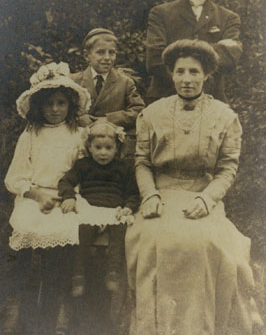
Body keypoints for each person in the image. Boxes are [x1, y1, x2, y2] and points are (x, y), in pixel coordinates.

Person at [126, 39, 259, 335]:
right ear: (172, 74)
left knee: (208, 245)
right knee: (152, 243)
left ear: (206, 75)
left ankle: (200, 327)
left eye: (194, 72)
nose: (187, 79)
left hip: (201, 195)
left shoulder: (225, 116)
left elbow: (227, 167)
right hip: (161, 194)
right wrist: (149, 195)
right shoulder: (152, 113)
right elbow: (142, 162)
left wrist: (208, 198)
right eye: (181, 72)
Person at [4, 62, 91, 335]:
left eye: (61, 103)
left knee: (61, 252)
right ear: (39, 107)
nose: (55, 109)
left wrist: (68, 197)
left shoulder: (78, 135)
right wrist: (37, 194)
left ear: (71, 105)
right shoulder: (31, 135)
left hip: (66, 198)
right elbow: (14, 178)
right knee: (25, 241)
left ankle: (56, 316)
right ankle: (23, 313)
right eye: (49, 104)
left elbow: (85, 173)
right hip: (34, 197)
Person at [58, 121, 139, 333]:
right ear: (89, 147)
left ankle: (113, 271)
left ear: (117, 148)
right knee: (82, 230)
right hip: (89, 208)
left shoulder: (123, 167)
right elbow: (66, 181)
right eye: (98, 148)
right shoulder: (84, 165)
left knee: (120, 230)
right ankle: (78, 273)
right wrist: (69, 197)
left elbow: (132, 193)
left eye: (109, 148)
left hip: (114, 210)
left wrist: (128, 207)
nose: (103, 153)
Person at [146, 0, 242, 103]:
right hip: (166, 100)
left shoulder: (228, 18)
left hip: (212, 101)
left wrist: (175, 53)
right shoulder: (160, 13)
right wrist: (216, 49)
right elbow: (154, 61)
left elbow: (229, 61)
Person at [70, 27, 145, 157]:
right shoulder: (73, 81)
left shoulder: (125, 82)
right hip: (77, 147)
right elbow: (62, 108)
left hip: (110, 149)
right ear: (87, 55)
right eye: (100, 52)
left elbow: (139, 110)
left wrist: (109, 119)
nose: (107, 58)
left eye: (112, 53)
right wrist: (79, 116)